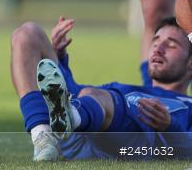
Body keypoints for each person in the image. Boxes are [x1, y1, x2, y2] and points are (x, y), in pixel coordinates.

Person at [11, 16, 192, 161]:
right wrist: (59, 59)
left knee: (96, 96)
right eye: (155, 41)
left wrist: (170, 126)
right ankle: (43, 138)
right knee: (27, 34)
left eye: (171, 44)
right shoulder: (121, 89)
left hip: (133, 146)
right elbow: (75, 93)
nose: (157, 48)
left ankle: (67, 120)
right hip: (83, 132)